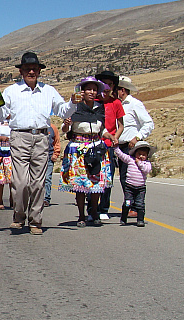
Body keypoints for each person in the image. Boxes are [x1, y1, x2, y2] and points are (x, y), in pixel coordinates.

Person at [0, 52, 78, 235]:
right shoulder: (11, 91)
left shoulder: (48, 91)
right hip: (19, 137)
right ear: (21, 71)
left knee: (38, 182)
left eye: (34, 69)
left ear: (39, 71)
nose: (31, 71)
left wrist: (72, 102)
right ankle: (19, 216)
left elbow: (62, 111)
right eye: (27, 69)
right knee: (20, 181)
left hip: (41, 137)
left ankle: (35, 220)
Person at [59, 77, 115, 227]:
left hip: (96, 148)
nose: (91, 92)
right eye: (88, 89)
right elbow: (65, 131)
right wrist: (66, 125)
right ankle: (82, 215)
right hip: (78, 149)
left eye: (94, 89)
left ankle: (94, 212)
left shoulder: (99, 108)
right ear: (82, 92)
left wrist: (110, 136)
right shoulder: (75, 108)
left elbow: (101, 129)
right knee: (81, 185)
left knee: (96, 183)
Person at [116, 76, 154, 218]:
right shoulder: (117, 104)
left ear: (123, 90)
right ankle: (130, 205)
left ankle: (134, 206)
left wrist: (137, 137)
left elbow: (148, 123)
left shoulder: (134, 104)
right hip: (119, 145)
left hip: (131, 145)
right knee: (124, 177)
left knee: (132, 178)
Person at [94, 70, 124, 221]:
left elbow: (120, 125)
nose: (107, 87)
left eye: (110, 85)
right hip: (93, 144)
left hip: (108, 146)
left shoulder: (116, 103)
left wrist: (115, 139)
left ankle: (104, 207)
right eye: (104, 84)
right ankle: (92, 207)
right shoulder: (94, 102)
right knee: (93, 176)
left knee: (108, 177)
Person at [114, 141, 154, 227]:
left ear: (147, 155)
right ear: (135, 153)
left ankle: (140, 220)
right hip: (129, 187)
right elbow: (122, 156)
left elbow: (146, 170)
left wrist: (139, 163)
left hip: (140, 188)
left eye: (144, 154)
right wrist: (116, 148)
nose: (141, 156)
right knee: (128, 203)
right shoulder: (130, 160)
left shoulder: (147, 164)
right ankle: (123, 218)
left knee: (140, 204)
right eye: (139, 154)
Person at [43, 121, 62, 207]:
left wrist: (56, 154)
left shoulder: (53, 127)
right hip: (38, 156)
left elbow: (57, 141)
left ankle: (46, 198)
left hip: (49, 156)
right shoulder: (38, 126)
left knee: (47, 178)